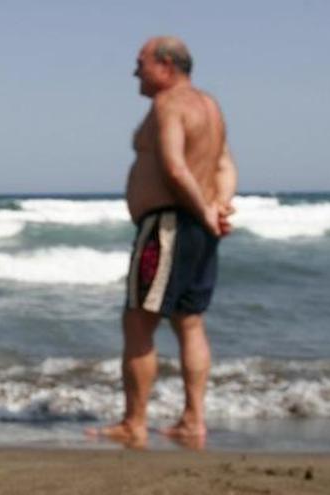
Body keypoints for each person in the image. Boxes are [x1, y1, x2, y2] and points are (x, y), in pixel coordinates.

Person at [87, 36, 237, 446]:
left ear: (166, 65)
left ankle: (134, 423)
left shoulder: (168, 104)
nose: (135, 71)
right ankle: (193, 421)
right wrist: (218, 206)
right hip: (198, 229)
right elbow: (225, 165)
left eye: (141, 63)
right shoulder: (210, 107)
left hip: (168, 228)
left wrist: (207, 209)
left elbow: (173, 167)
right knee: (189, 322)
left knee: (138, 320)